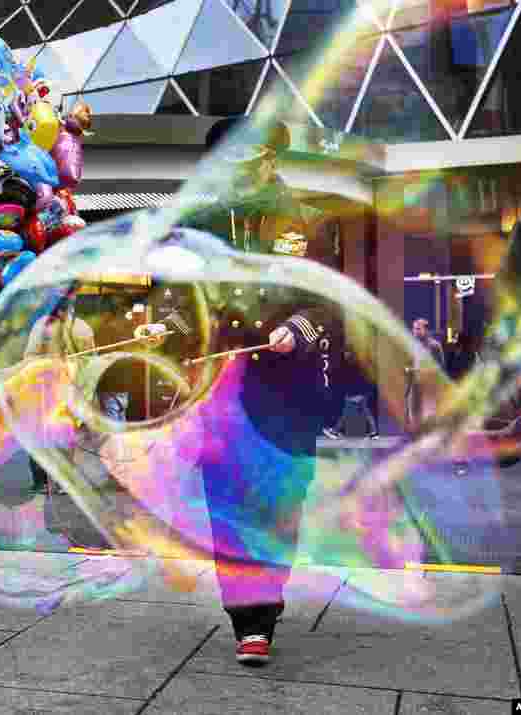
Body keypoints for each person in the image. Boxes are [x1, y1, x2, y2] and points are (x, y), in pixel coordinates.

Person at [173, 116, 340, 666]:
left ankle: (266, 600)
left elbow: (328, 303)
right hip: (221, 391)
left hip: (286, 393)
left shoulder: (306, 222)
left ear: (270, 161)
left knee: (280, 504)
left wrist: (298, 328)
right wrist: (167, 327)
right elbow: (181, 301)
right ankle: (252, 619)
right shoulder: (198, 224)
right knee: (228, 506)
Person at [24, 298, 95, 494]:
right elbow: (90, 364)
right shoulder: (82, 328)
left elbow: (29, 357)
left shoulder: (42, 326)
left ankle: (48, 482)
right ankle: (60, 482)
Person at [324, 351, 378, 439]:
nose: (345, 355)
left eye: (347, 354)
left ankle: (335, 431)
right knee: (365, 412)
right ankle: (374, 433)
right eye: (345, 354)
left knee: (347, 413)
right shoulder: (357, 365)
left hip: (356, 393)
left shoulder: (353, 366)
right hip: (360, 392)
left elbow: (353, 380)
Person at [405, 318, 445, 428]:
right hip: (414, 385)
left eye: (418, 329)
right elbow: (407, 364)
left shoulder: (434, 346)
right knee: (413, 417)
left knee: (429, 417)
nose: (415, 331)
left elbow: (440, 367)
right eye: (414, 329)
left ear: (426, 330)